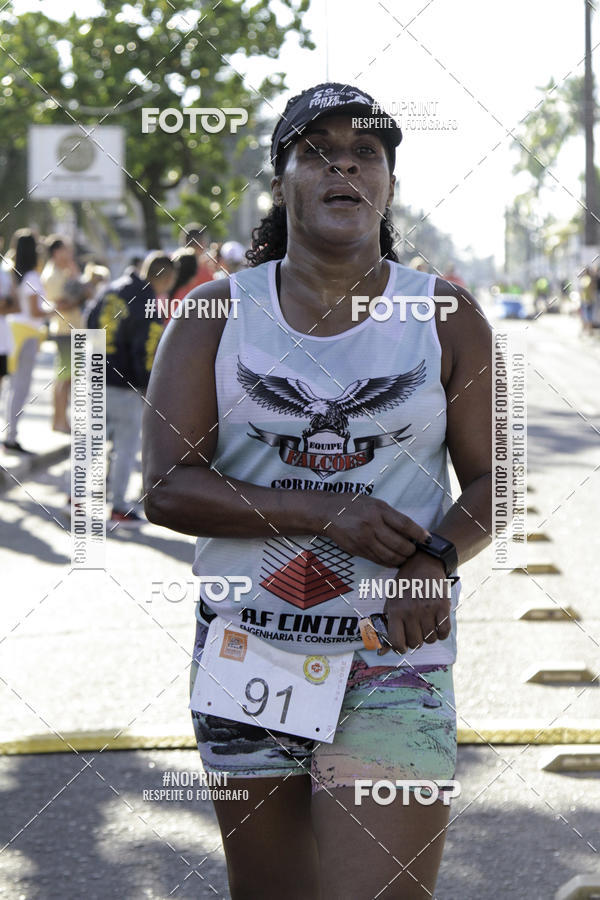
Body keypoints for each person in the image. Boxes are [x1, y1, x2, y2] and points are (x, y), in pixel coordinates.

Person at [142, 82, 492, 899]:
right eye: (316, 150)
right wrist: (329, 513)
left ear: (388, 184)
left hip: (390, 661)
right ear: (282, 179)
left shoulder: (445, 315)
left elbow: (494, 479)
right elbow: (165, 486)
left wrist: (435, 559)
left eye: (366, 151)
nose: (344, 163)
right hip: (247, 650)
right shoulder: (215, 313)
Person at [88, 251, 175, 525]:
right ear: (167, 277)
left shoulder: (112, 288)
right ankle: (117, 507)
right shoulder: (147, 302)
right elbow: (146, 349)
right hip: (124, 383)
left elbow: (90, 321)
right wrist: (148, 386)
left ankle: (74, 498)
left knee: (90, 443)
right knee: (124, 447)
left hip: (96, 374)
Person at [4, 229, 51, 453]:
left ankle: (9, 435)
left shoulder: (9, 272)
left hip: (11, 332)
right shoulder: (32, 276)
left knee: (11, 387)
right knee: (20, 387)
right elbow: (34, 311)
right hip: (27, 334)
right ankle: (11, 437)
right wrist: (53, 310)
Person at [41, 235, 81, 433]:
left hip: (70, 329)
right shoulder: (53, 275)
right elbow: (63, 303)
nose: (69, 253)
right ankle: (59, 421)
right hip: (65, 330)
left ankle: (60, 420)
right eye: (66, 249)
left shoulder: (61, 271)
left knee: (68, 378)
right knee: (64, 379)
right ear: (56, 252)